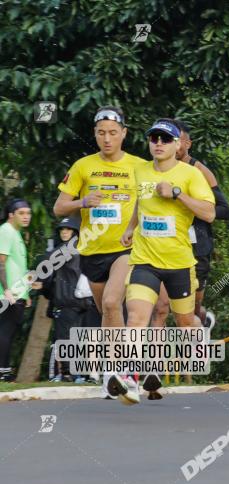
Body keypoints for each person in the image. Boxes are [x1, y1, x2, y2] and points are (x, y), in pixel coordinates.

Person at [111, 118, 216, 404]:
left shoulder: (191, 175)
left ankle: (199, 330)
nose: (158, 144)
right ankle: (130, 378)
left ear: (178, 144)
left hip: (179, 263)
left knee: (184, 321)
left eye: (165, 139)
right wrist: (131, 227)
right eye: (153, 139)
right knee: (136, 317)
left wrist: (177, 194)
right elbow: (139, 202)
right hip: (144, 260)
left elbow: (209, 213)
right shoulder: (140, 171)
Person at [54, 106, 147, 395]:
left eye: (113, 133)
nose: (107, 139)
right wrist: (82, 202)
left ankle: (120, 371)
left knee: (110, 303)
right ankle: (113, 371)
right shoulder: (82, 166)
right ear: (95, 134)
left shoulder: (139, 166)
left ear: (124, 134)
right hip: (92, 251)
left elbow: (152, 203)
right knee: (107, 311)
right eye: (101, 133)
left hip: (125, 248)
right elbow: (59, 207)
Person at [152, 119, 229, 328]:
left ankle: (201, 325)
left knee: (189, 313)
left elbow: (225, 211)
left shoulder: (199, 171)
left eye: (177, 140)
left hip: (196, 249)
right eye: (169, 139)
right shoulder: (152, 169)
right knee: (160, 308)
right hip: (162, 247)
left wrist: (186, 201)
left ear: (187, 144)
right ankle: (156, 361)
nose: (174, 145)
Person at [33, 216, 93, 382]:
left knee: (63, 337)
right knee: (77, 338)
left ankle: (67, 373)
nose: (64, 232)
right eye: (62, 230)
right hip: (83, 301)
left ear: (75, 232)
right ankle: (80, 375)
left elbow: (45, 266)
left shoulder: (64, 250)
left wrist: (38, 283)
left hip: (67, 301)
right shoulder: (84, 248)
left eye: (68, 229)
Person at [0, 199, 32, 382]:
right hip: (8, 294)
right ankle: (3, 371)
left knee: (8, 331)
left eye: (28, 213)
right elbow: (1, 263)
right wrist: (7, 291)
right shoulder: (6, 231)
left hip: (17, 293)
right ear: (11, 215)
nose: (26, 216)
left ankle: (4, 370)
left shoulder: (16, 233)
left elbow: (17, 267)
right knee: (5, 331)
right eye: (21, 213)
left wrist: (25, 293)